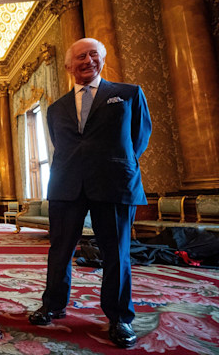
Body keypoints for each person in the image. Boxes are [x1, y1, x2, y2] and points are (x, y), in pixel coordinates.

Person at [28, 38, 152, 349]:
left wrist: (111, 162)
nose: (88, 60)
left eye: (93, 54)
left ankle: (119, 317)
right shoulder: (55, 108)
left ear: (102, 59)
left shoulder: (127, 94)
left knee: (116, 254)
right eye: (80, 56)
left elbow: (139, 137)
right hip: (67, 184)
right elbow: (61, 143)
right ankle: (53, 304)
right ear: (69, 66)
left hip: (113, 183)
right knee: (59, 251)